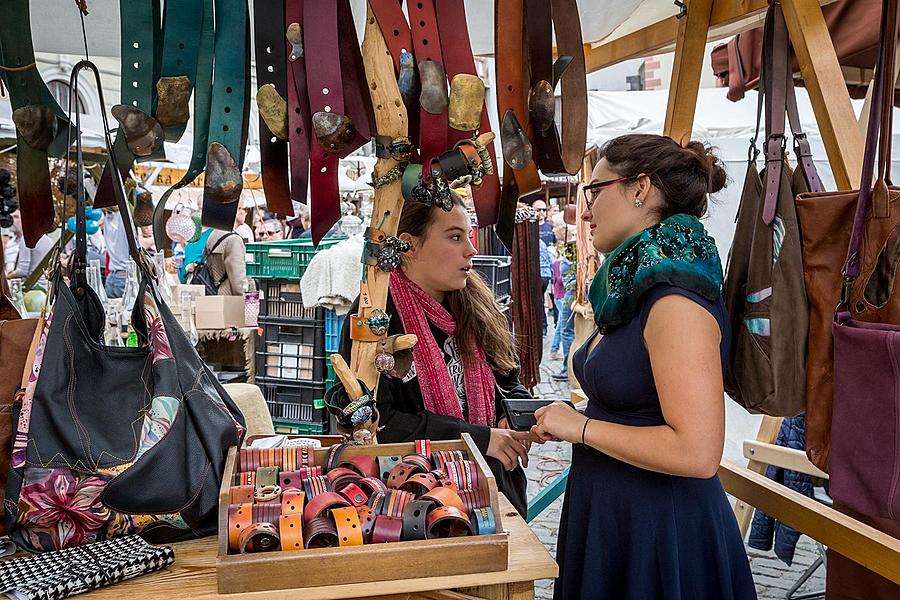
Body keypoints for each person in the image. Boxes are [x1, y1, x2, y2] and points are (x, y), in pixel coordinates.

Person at [532, 134, 756, 599]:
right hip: (618, 518)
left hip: (660, 532)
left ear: (640, 188)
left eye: (595, 190)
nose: (587, 208)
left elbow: (697, 453)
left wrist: (581, 428)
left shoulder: (674, 297)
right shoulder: (636, 288)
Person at [338, 192, 535, 516]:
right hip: (415, 502)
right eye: (455, 237)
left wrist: (510, 418)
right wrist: (478, 438)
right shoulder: (371, 322)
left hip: (495, 489)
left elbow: (511, 383)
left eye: (468, 236)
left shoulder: (476, 307)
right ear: (408, 245)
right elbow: (375, 423)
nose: (471, 249)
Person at [6, 210, 54, 288]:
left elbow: (22, 270)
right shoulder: (49, 240)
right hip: (47, 286)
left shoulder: (27, 239)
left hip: (32, 287)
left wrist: (6, 277)